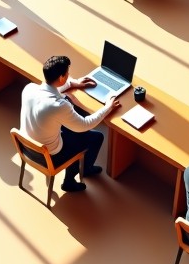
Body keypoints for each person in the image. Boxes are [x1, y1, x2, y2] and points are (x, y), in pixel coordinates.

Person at [20, 54, 121, 193]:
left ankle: (82, 170)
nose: (69, 75)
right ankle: (72, 180)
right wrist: (108, 106)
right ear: (61, 77)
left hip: (27, 147)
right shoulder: (58, 105)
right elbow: (85, 124)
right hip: (49, 156)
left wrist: (74, 83)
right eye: (67, 73)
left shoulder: (29, 88)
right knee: (96, 137)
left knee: (70, 128)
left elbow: (51, 89)